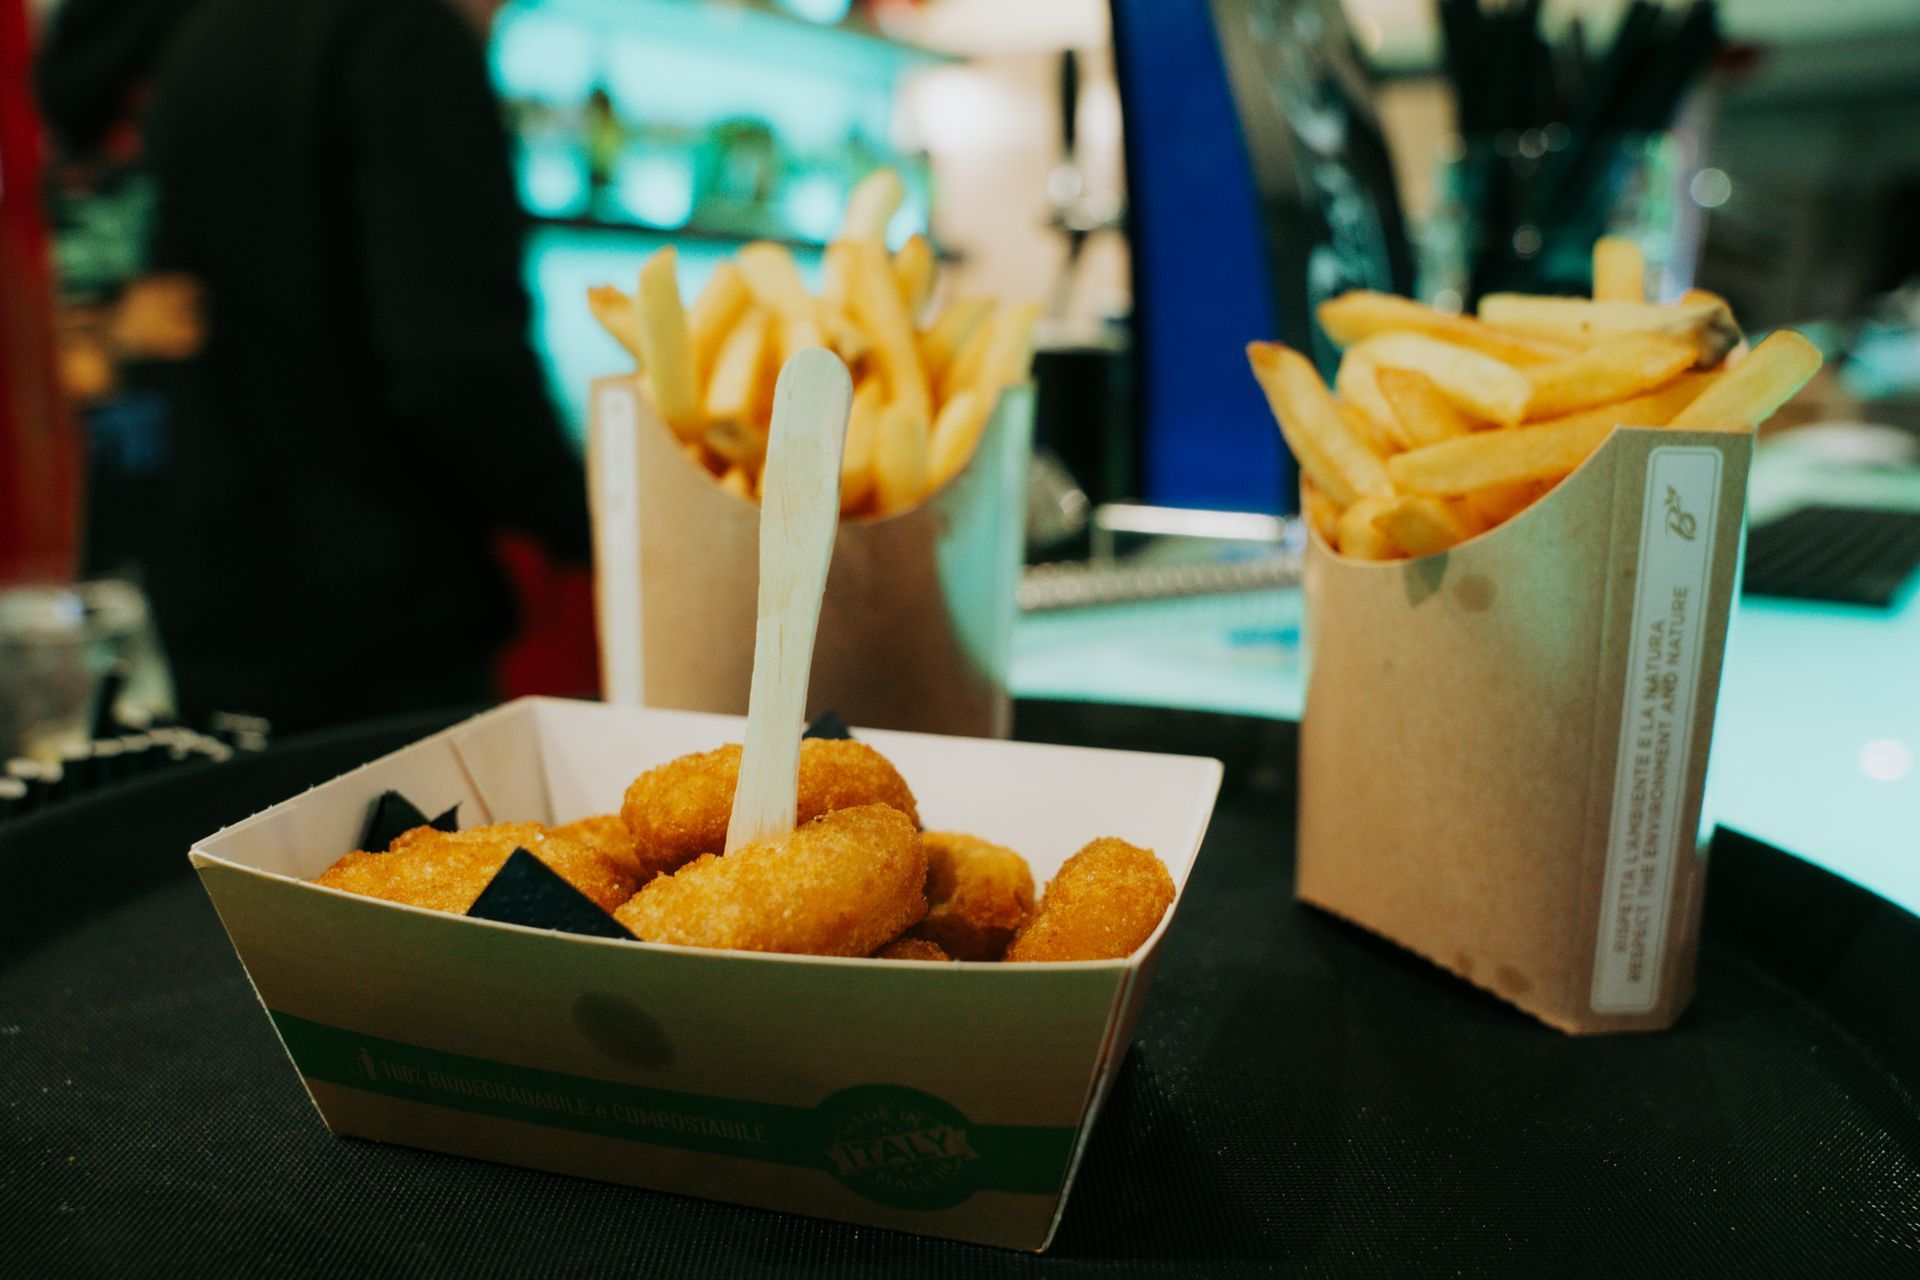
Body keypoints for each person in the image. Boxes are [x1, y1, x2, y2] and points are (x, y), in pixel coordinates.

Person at [35, 0, 589, 733]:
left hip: (144, 633)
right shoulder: (390, 30)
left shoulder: (121, 48)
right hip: (362, 654)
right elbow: (457, 367)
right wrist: (601, 520)